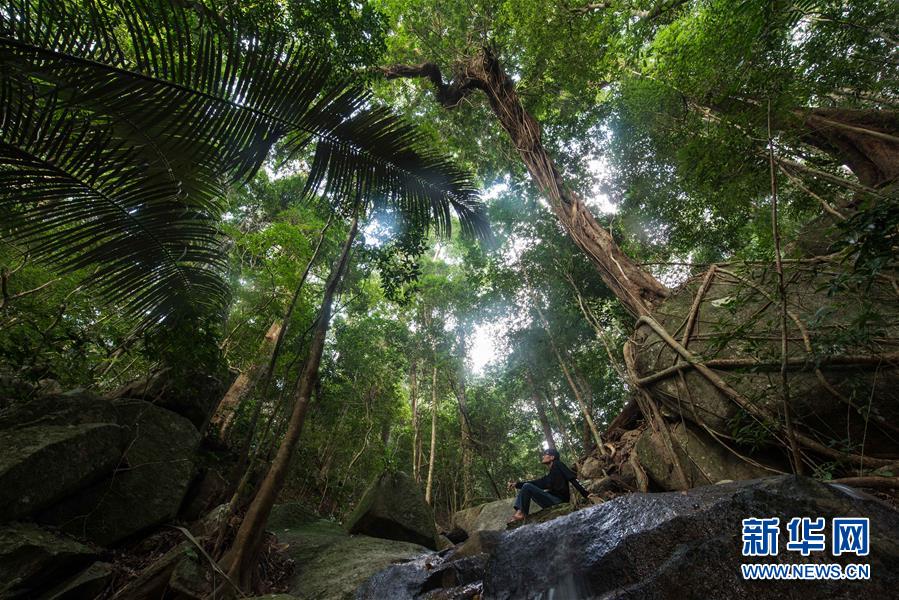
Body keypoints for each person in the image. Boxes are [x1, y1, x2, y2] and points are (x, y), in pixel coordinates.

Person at [507, 447, 590, 523]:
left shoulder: (558, 464)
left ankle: (520, 513)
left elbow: (572, 478)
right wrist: (516, 484)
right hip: (551, 501)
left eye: (545, 454)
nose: (543, 456)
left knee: (527, 486)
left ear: (552, 457)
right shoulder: (549, 476)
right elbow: (535, 483)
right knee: (527, 487)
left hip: (559, 501)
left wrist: (587, 494)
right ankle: (521, 513)